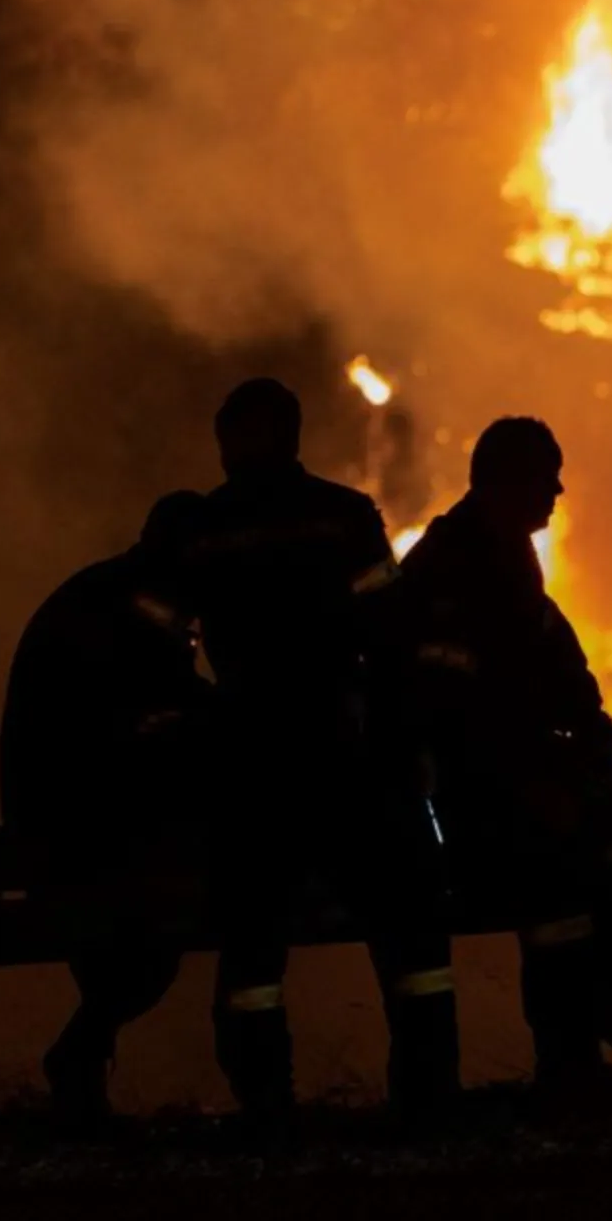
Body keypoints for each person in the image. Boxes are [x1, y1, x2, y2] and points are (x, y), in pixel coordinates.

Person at [185, 377, 458, 1122]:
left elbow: (176, 637)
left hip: (258, 758)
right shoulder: (343, 517)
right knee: (405, 928)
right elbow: (393, 629)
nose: (229, 450)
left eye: (235, 435)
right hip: (342, 750)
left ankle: (267, 1106)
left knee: (253, 950)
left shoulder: (205, 528)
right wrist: (403, 736)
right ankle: (429, 1099)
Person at [398, 416, 612, 1088]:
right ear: (506, 481)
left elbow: (546, 645)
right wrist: (528, 772)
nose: (558, 489)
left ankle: (606, 1001)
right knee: (555, 890)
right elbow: (448, 697)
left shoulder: (506, 553)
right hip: (472, 791)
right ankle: (571, 1057)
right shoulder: (454, 562)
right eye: (546, 476)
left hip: (517, 771)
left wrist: (587, 722)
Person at [0, 490, 210, 1124]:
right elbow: (166, 707)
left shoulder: (107, 591)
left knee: (137, 955)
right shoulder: (143, 606)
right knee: (149, 947)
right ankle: (78, 1068)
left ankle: (81, 1081)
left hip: (61, 811)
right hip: (78, 818)